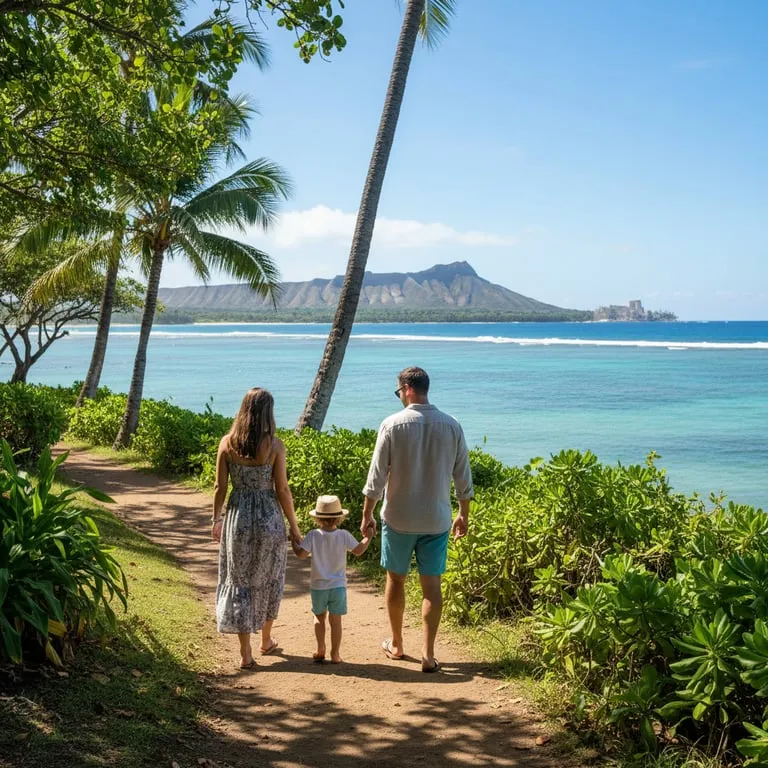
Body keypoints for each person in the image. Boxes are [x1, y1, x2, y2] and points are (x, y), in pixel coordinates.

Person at [361, 366, 473, 673]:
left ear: (408, 389)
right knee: (431, 586)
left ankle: (397, 644)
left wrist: (367, 513)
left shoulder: (392, 424)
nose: (399, 397)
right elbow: (463, 476)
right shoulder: (452, 425)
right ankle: (428, 654)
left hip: (398, 517)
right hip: (436, 520)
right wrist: (463, 514)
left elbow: (377, 477)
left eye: (399, 392)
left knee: (396, 580)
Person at [211, 387, 302, 670]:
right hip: (268, 518)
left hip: (237, 518)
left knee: (240, 580)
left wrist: (216, 519)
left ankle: (245, 652)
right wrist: (295, 528)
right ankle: (265, 639)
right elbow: (283, 489)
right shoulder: (275, 446)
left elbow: (220, 487)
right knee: (270, 576)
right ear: (268, 413)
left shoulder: (227, 444)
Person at [291, 495, 374, 664]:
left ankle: (320, 648)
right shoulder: (343, 535)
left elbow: (301, 554)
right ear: (339, 517)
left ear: (317, 518)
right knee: (336, 621)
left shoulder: (313, 535)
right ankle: (335, 654)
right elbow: (358, 550)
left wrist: (294, 541)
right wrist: (369, 537)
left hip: (318, 586)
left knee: (319, 617)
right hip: (338, 586)